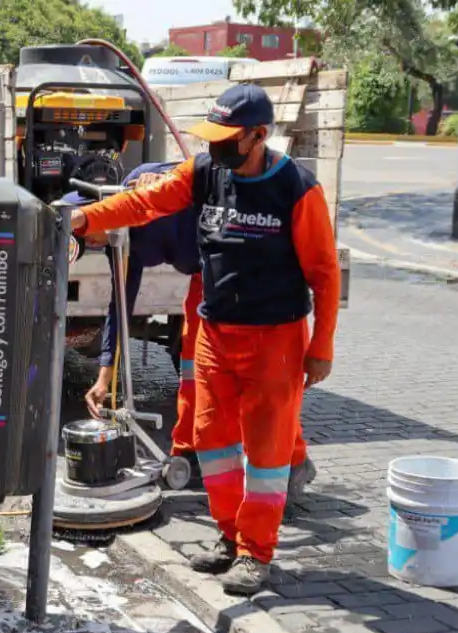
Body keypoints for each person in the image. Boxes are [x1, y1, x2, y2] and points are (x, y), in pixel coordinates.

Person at [69, 83, 341, 595]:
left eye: (227, 137)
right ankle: (229, 537)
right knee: (213, 444)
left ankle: (255, 555)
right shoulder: (205, 173)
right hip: (216, 334)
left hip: (275, 340)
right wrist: (88, 218)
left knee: (266, 455)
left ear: (259, 136)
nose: (214, 146)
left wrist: (320, 345)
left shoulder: (298, 190)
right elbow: (146, 201)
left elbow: (325, 274)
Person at [72, 164, 317, 501]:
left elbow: (203, 170)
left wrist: (164, 178)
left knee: (255, 385)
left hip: (244, 276)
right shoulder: (123, 244)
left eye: (87, 233)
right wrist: (104, 376)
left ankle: (294, 460)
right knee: (193, 371)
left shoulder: (147, 185)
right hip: (205, 281)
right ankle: (188, 452)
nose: (93, 243)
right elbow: (120, 306)